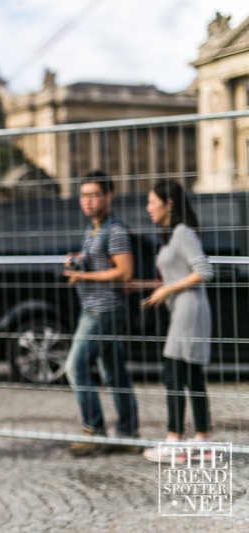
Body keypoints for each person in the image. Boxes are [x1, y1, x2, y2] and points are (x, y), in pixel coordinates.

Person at [63, 170, 140, 456]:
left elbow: (124, 272)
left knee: (75, 367)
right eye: (84, 195)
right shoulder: (94, 229)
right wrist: (79, 262)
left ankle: (94, 430)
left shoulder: (115, 230)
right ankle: (128, 433)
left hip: (102, 311)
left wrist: (84, 278)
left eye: (95, 194)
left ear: (110, 196)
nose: (88, 201)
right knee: (114, 372)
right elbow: (99, 263)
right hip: (95, 309)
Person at [140, 179, 214, 463]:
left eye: (151, 202)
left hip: (189, 309)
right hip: (184, 308)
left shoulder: (183, 233)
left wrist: (167, 289)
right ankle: (203, 440)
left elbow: (204, 271)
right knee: (192, 376)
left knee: (174, 374)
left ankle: (174, 441)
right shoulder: (174, 233)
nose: (148, 208)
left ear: (168, 203)